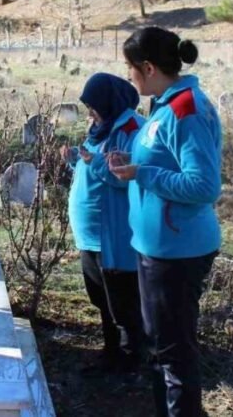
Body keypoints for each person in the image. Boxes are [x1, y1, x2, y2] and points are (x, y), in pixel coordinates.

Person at [108, 27, 222, 417]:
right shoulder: (163, 105)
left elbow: (203, 185)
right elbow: (160, 162)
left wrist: (144, 174)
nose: (128, 77)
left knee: (173, 353)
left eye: (130, 68)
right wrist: (133, 167)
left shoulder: (184, 110)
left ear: (149, 67)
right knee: (160, 347)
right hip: (155, 246)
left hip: (178, 250)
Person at [65, 73, 145, 374]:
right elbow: (93, 164)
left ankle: (129, 362)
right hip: (89, 235)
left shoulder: (132, 130)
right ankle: (110, 353)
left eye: (94, 106)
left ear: (110, 102)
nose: (90, 113)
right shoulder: (100, 128)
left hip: (113, 234)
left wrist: (91, 162)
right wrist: (75, 159)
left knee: (122, 304)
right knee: (101, 299)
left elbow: (124, 176)